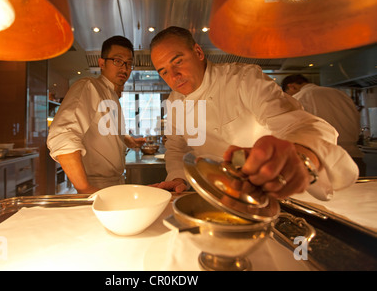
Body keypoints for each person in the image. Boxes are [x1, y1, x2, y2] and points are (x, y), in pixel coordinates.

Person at [149, 26, 358, 200]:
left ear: (198, 52)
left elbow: (298, 124)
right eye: (164, 71)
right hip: (216, 196)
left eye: (178, 61)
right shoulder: (174, 102)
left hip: (270, 193)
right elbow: (176, 149)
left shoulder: (242, 79)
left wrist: (301, 154)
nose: (174, 76)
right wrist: (178, 178)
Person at [47, 36, 140, 193]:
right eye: (118, 61)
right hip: (97, 184)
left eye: (129, 63)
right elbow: (62, 134)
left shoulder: (111, 96)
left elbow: (107, 133)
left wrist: (129, 140)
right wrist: (84, 188)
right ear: (102, 63)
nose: (124, 68)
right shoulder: (89, 87)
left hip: (116, 182)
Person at [281, 74, 365, 175]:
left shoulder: (299, 98)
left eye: (287, 93)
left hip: (324, 160)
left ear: (291, 86)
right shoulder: (340, 94)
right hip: (354, 158)